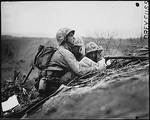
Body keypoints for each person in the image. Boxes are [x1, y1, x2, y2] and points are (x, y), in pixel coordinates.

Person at [38, 28, 98, 97]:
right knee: (74, 73)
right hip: (54, 86)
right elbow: (80, 71)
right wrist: (96, 68)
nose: (73, 38)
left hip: (52, 83)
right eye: (71, 35)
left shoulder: (60, 50)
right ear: (65, 38)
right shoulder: (65, 52)